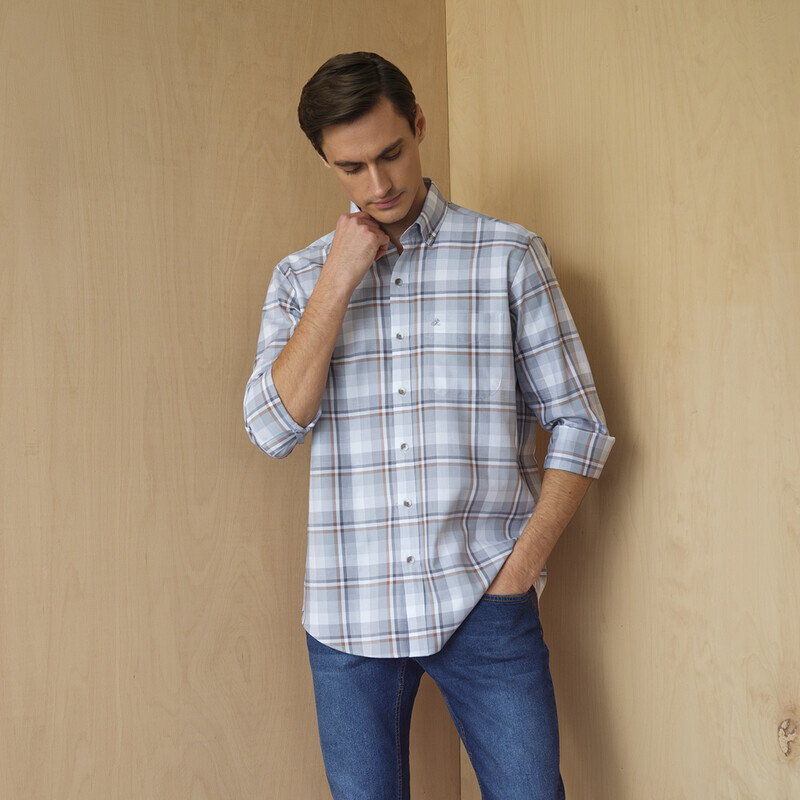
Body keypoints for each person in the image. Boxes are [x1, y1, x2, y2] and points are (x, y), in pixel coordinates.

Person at [244, 51, 614, 800]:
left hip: (485, 596)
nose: (378, 184)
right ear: (326, 163)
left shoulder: (507, 256)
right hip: (349, 612)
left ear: (418, 124)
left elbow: (580, 423)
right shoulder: (299, 278)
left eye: (391, 153)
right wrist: (337, 280)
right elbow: (271, 429)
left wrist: (520, 569)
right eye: (351, 168)